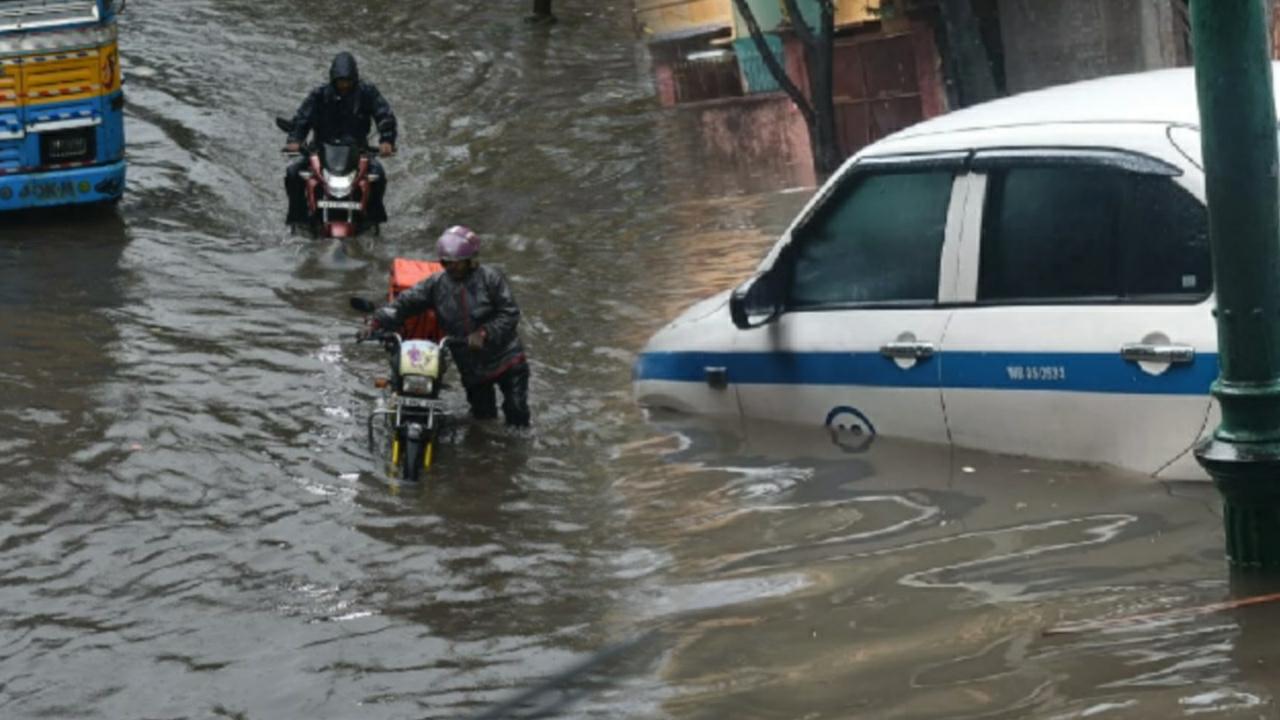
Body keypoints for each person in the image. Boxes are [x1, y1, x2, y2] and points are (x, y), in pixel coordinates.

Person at [366, 226, 532, 427]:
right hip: (470, 364)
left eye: (455, 263)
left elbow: (510, 312)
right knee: (483, 419)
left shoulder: (491, 278)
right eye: (445, 263)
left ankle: (516, 453)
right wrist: (375, 322)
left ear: (470, 260)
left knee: (517, 412)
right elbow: (403, 304)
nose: (450, 268)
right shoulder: (436, 284)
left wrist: (484, 332)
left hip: (506, 358)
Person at [283, 51, 397, 227]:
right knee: (293, 173)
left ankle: (373, 218)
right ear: (333, 79)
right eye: (340, 81)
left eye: (348, 81)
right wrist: (295, 139)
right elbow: (302, 118)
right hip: (321, 150)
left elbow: (384, 115)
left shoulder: (368, 93)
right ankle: (298, 218)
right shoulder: (319, 95)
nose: (344, 85)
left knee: (378, 175)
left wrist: (387, 140)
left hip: (357, 150)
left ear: (355, 79)